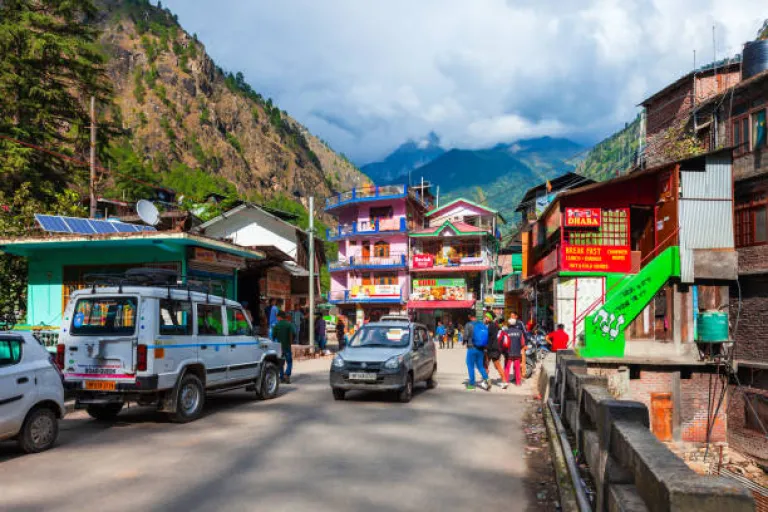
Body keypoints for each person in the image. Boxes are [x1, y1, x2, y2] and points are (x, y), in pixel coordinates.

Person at [464, 312, 490, 391]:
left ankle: (472, 384)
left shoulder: (468, 324)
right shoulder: (482, 324)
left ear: (469, 316)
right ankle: (487, 379)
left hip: (472, 347)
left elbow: (465, 336)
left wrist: (464, 342)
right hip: (481, 348)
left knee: (470, 365)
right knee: (480, 366)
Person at [484, 313, 508, 389]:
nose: (485, 319)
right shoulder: (497, 326)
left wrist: (486, 347)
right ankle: (504, 381)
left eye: (487, 317)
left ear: (490, 318)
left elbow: (490, 339)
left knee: (486, 365)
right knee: (497, 366)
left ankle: (486, 381)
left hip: (491, 349)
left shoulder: (491, 326)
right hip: (496, 349)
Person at [272, 311, 296, 384]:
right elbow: (294, 333)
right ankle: (287, 374)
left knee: (281, 362)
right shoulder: (289, 324)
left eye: (277, 317)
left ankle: (281, 377)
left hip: (279, 347)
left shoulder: (276, 325)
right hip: (287, 346)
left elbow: (273, 336)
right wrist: (291, 341)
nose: (277, 318)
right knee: (289, 362)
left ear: (280, 317)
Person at [504, 313, 528, 386]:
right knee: (517, 367)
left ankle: (506, 381)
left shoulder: (506, 332)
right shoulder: (520, 332)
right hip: (517, 352)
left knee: (507, 367)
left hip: (509, 353)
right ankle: (518, 382)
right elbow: (522, 343)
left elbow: (504, 343)